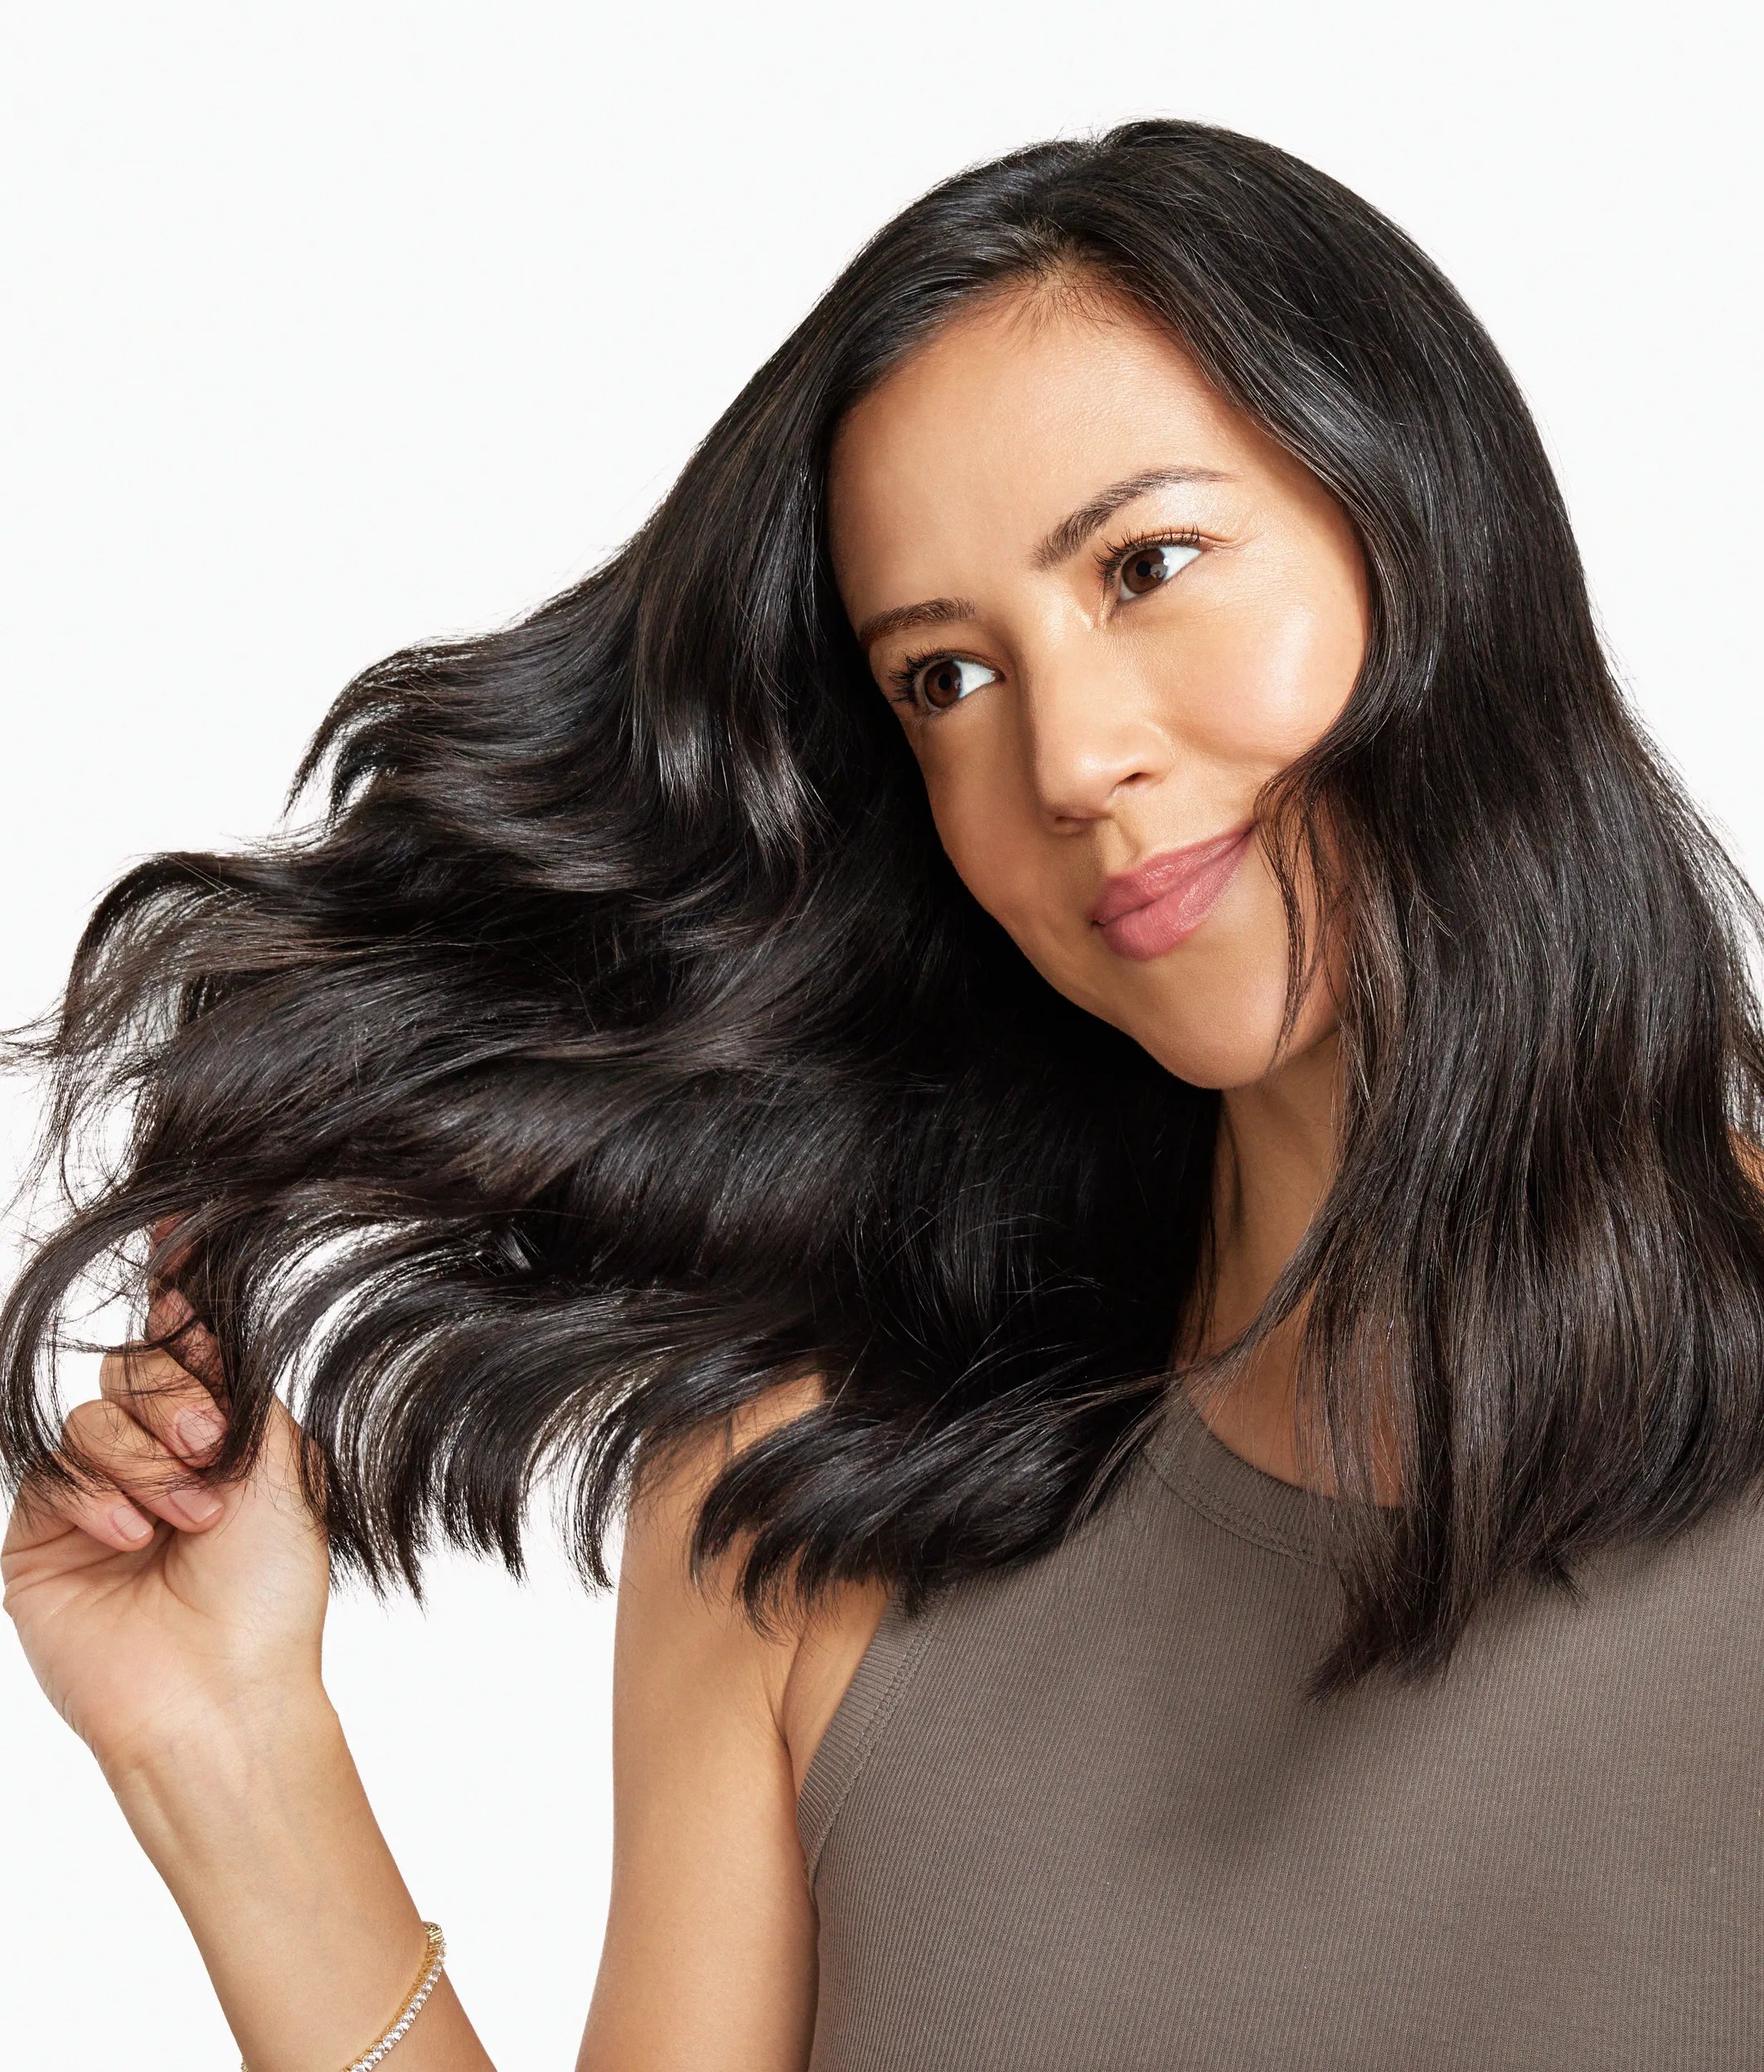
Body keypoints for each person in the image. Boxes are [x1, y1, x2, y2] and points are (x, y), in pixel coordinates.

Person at [6, 117, 1764, 2072]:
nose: (1073, 752)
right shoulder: (805, 1512)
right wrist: (227, 1754)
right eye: (943, 677)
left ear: (1426, 521)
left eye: (1146, 562)